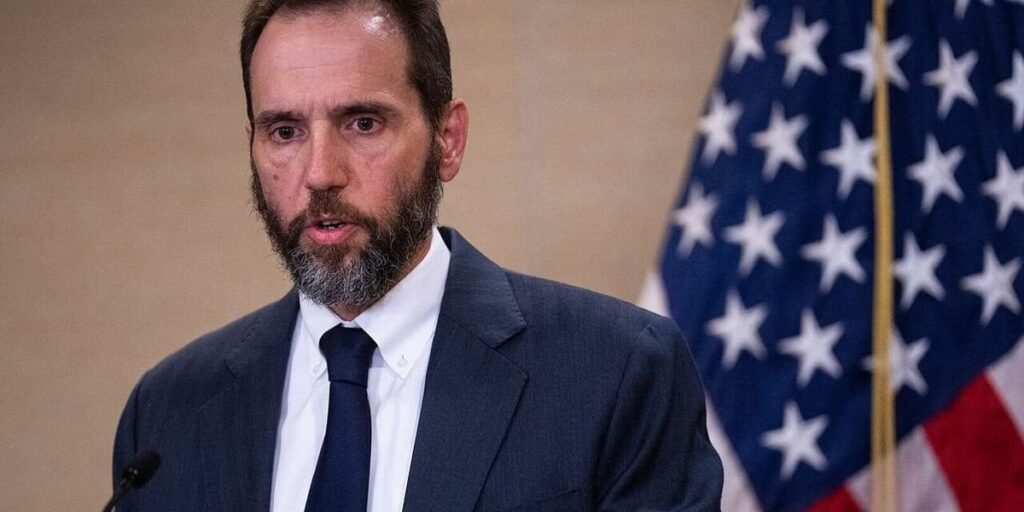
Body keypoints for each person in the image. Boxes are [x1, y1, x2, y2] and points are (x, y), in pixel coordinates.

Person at [111, 0, 723, 510]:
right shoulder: (166, 412)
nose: (319, 172)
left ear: (447, 140)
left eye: (362, 123)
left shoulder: (616, 373)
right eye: (285, 132)